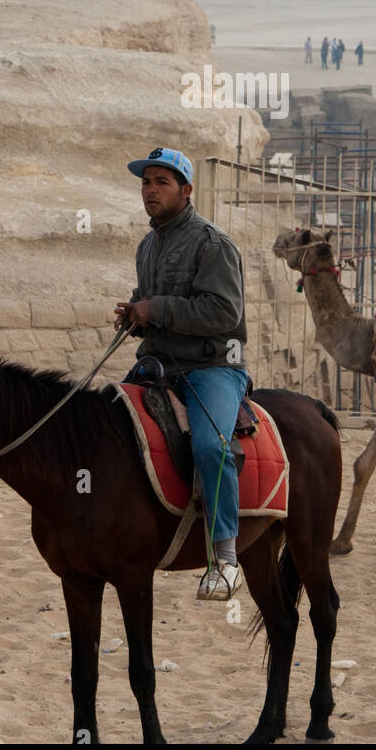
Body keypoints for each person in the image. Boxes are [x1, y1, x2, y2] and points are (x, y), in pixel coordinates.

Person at [115, 148, 248, 600]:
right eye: (146, 182)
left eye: (161, 182)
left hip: (210, 366)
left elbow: (225, 312)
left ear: (186, 190)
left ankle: (225, 557)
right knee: (101, 423)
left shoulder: (212, 243)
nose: (150, 190)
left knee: (212, 446)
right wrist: (136, 313)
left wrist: (159, 309)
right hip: (158, 364)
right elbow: (152, 304)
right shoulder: (148, 245)